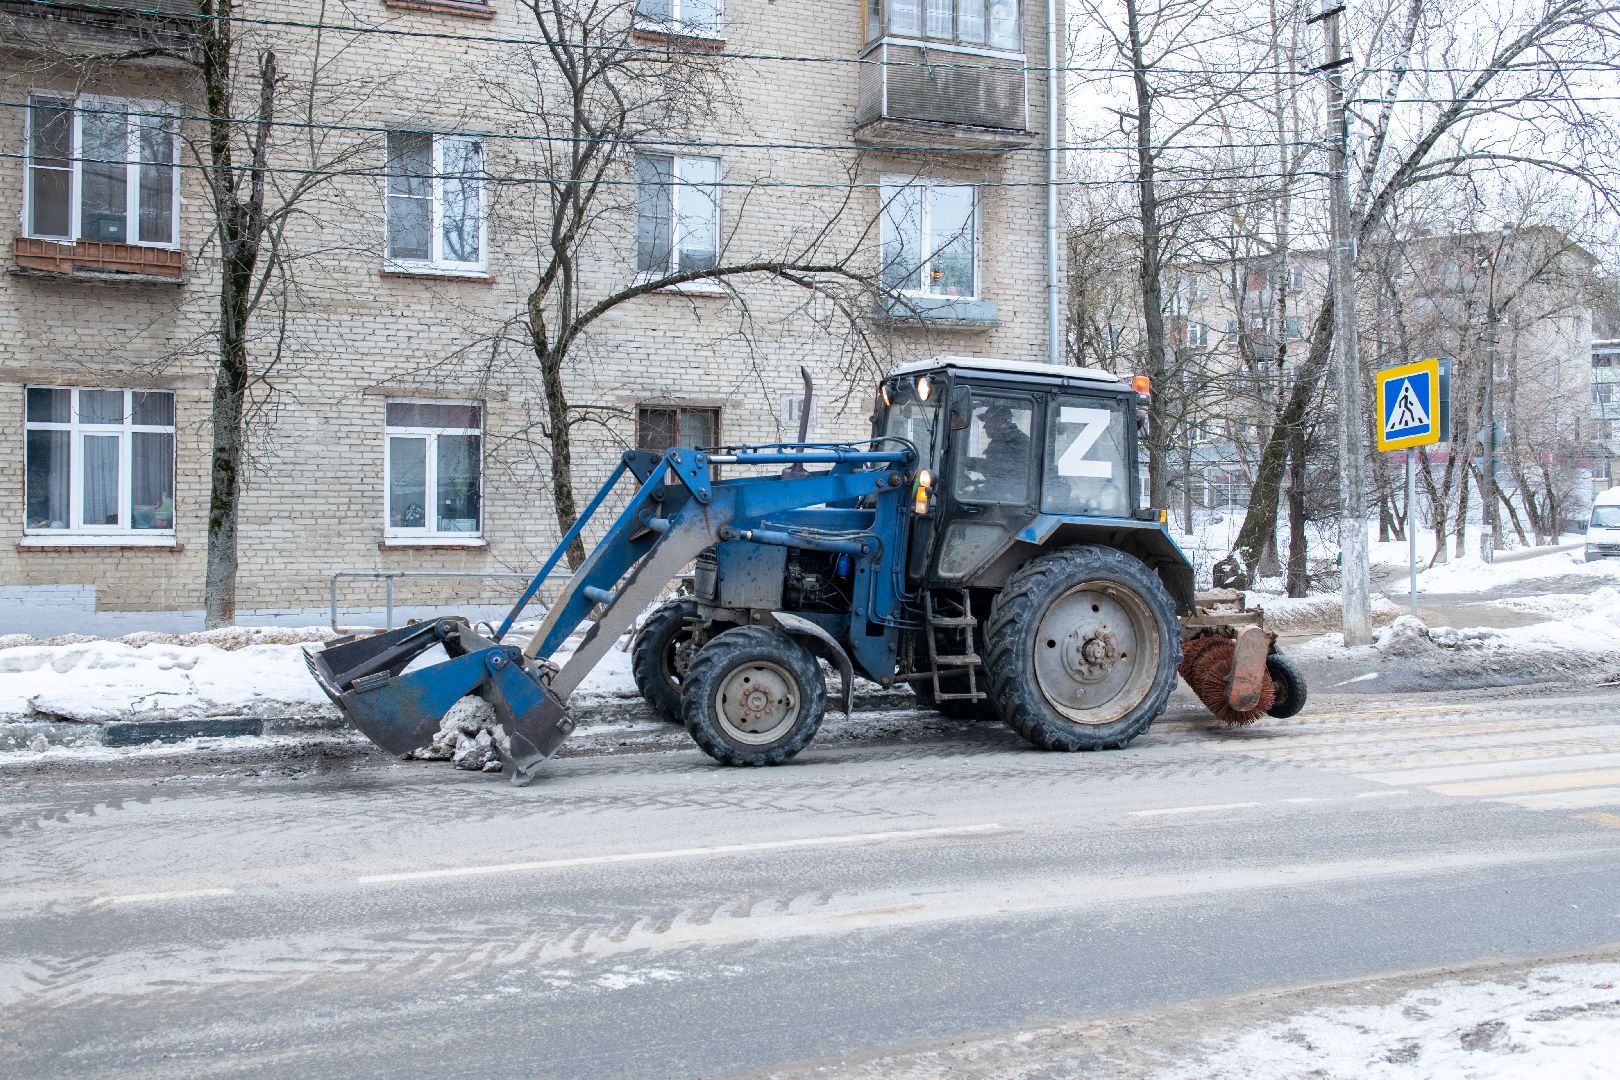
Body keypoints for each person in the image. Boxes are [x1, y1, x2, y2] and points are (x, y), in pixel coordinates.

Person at [976, 403, 1029, 488]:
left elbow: (1001, 474)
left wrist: (971, 463)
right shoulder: (1000, 440)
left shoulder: (1016, 442)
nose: (985, 426)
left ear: (1001, 421)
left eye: (988, 421)